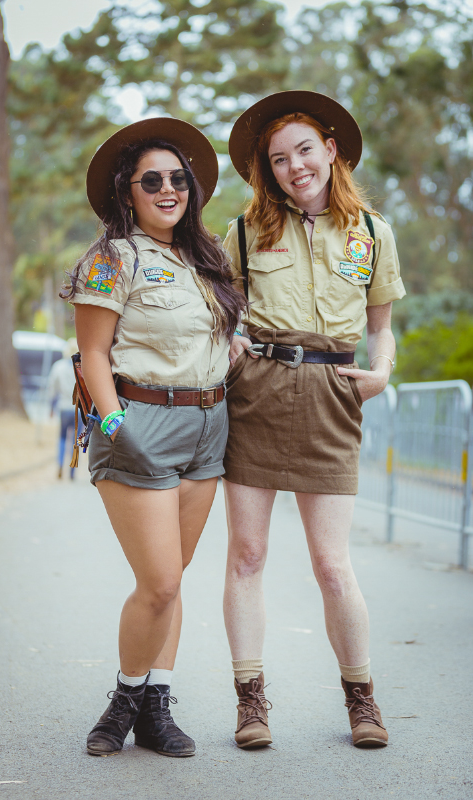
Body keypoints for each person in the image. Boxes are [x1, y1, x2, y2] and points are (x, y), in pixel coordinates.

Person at [222, 91, 405, 750]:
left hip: (333, 393)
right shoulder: (242, 233)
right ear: (266, 171)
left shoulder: (372, 233)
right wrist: (228, 344)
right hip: (258, 393)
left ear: (330, 150)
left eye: (304, 149)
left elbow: (381, 325)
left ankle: (360, 696)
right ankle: (250, 702)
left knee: (332, 565)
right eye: (278, 159)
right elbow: (218, 310)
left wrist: (381, 372)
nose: (293, 165)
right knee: (246, 555)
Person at [63, 117, 246, 757]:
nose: (167, 189)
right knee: (160, 581)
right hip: (140, 422)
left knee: (173, 578)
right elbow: (92, 354)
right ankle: (123, 700)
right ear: (128, 192)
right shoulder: (114, 258)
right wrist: (116, 424)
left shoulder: (207, 259)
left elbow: (219, 339)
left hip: (208, 428)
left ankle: (155, 708)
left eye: (177, 178)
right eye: (152, 181)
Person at [47, 338, 79, 479]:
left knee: (61, 437)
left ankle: (60, 464)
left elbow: (52, 388)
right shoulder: (81, 367)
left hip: (64, 407)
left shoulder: (58, 367)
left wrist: (51, 407)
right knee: (75, 440)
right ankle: (72, 469)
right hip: (78, 409)